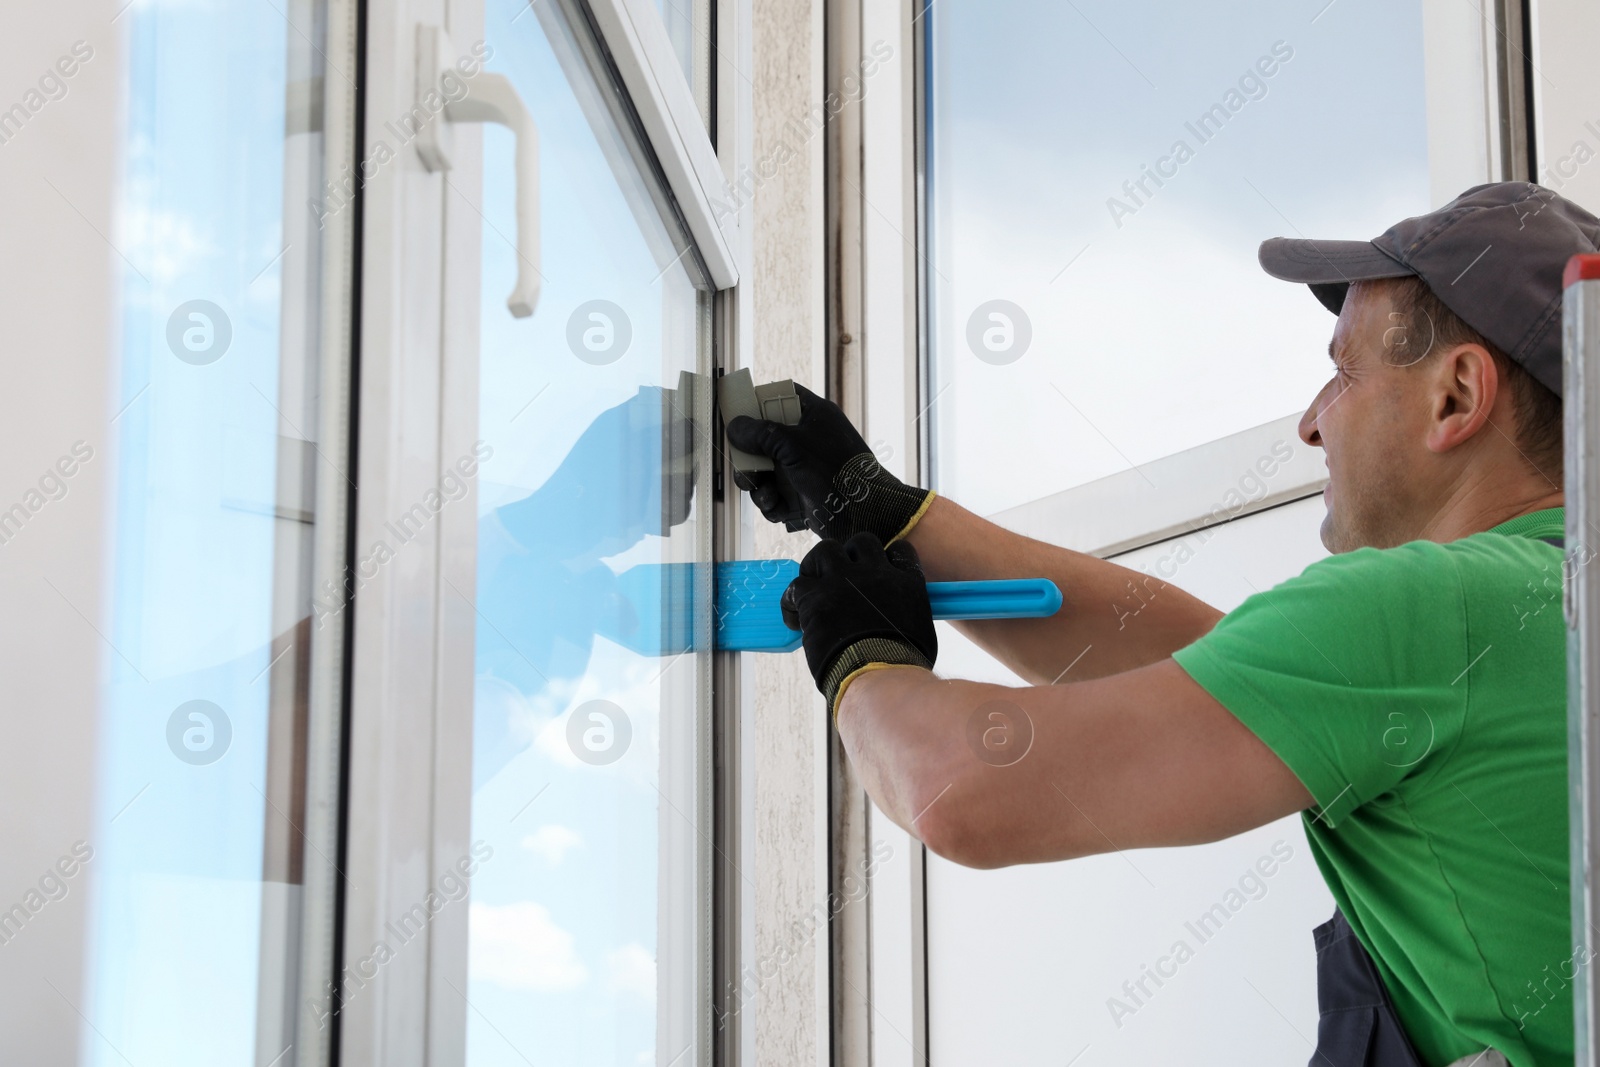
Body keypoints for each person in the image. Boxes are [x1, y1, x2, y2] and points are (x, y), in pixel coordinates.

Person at [726, 182, 1600, 1067]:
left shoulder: (1428, 610)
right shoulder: (1548, 607)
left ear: (1457, 395)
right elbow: (1219, 673)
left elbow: (959, 789)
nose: (1310, 421)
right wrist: (879, 511)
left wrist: (858, 657)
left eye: (1344, 372)